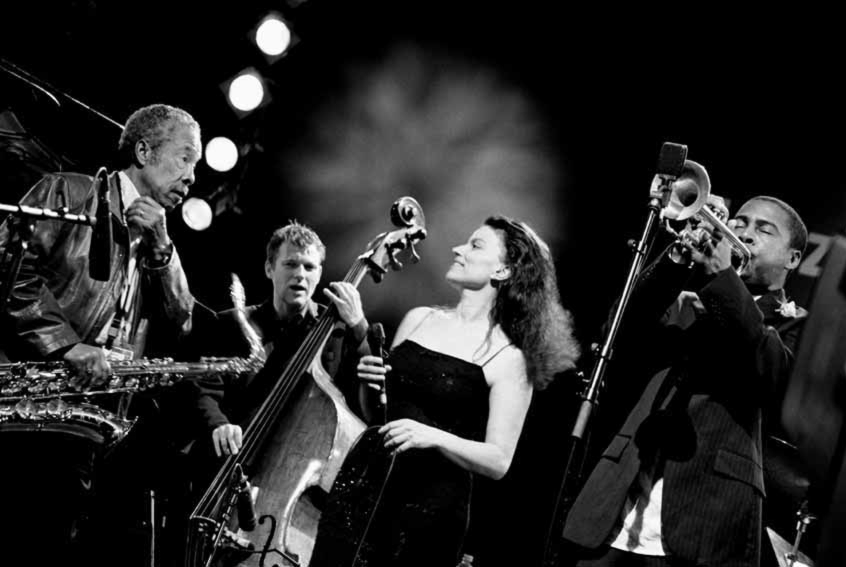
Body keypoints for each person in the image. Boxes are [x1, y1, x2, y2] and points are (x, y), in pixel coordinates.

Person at [310, 215, 580, 567]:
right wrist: (369, 383)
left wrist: (432, 436)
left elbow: (498, 460)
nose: (458, 249)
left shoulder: (509, 359)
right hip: (365, 483)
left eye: (475, 245)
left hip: (429, 508)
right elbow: (380, 416)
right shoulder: (419, 318)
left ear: (503, 271)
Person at [0, 103, 200, 566]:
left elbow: (183, 319)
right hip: (26, 411)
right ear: (145, 150)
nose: (192, 177)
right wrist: (67, 346)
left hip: (85, 427)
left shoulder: (159, 242)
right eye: (185, 157)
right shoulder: (68, 192)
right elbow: (9, 273)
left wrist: (163, 249)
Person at [560, 195, 809, 567]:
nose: (744, 232)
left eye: (763, 229)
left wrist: (723, 279)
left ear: (792, 258)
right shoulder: (687, 296)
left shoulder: (798, 324)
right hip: (617, 506)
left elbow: (771, 371)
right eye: (740, 222)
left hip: (703, 521)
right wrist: (675, 259)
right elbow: (617, 331)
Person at [186, 221, 370, 459]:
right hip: (228, 459)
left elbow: (369, 398)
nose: (300, 275)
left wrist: (359, 326)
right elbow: (203, 389)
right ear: (269, 268)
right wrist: (219, 424)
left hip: (296, 465)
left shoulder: (337, 333)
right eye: (290, 264)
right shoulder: (231, 324)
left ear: (319, 274)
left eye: (309, 267)